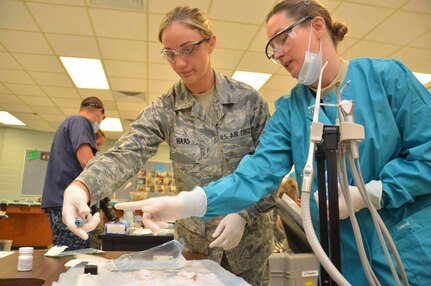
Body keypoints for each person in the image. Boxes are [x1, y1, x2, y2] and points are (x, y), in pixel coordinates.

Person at [100, 0, 431, 284]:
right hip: (341, 257)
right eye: (273, 48)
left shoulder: (386, 79)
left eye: (283, 38)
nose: (278, 53)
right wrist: (187, 203)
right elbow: (255, 174)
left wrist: (372, 192)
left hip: (406, 244)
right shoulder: (291, 111)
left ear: (318, 27)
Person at [61, 6, 277, 285]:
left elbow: (271, 168)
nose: (179, 63)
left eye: (187, 50)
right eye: (170, 54)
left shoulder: (249, 102)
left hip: (249, 249)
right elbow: (127, 151)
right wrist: (82, 187)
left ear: (210, 42)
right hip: (196, 249)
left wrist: (243, 213)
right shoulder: (167, 107)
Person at [41, 96, 105, 250]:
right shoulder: (80, 122)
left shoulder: (69, 124)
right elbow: (87, 162)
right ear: (99, 113)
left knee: (65, 250)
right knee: (74, 256)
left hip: (62, 201)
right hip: (70, 203)